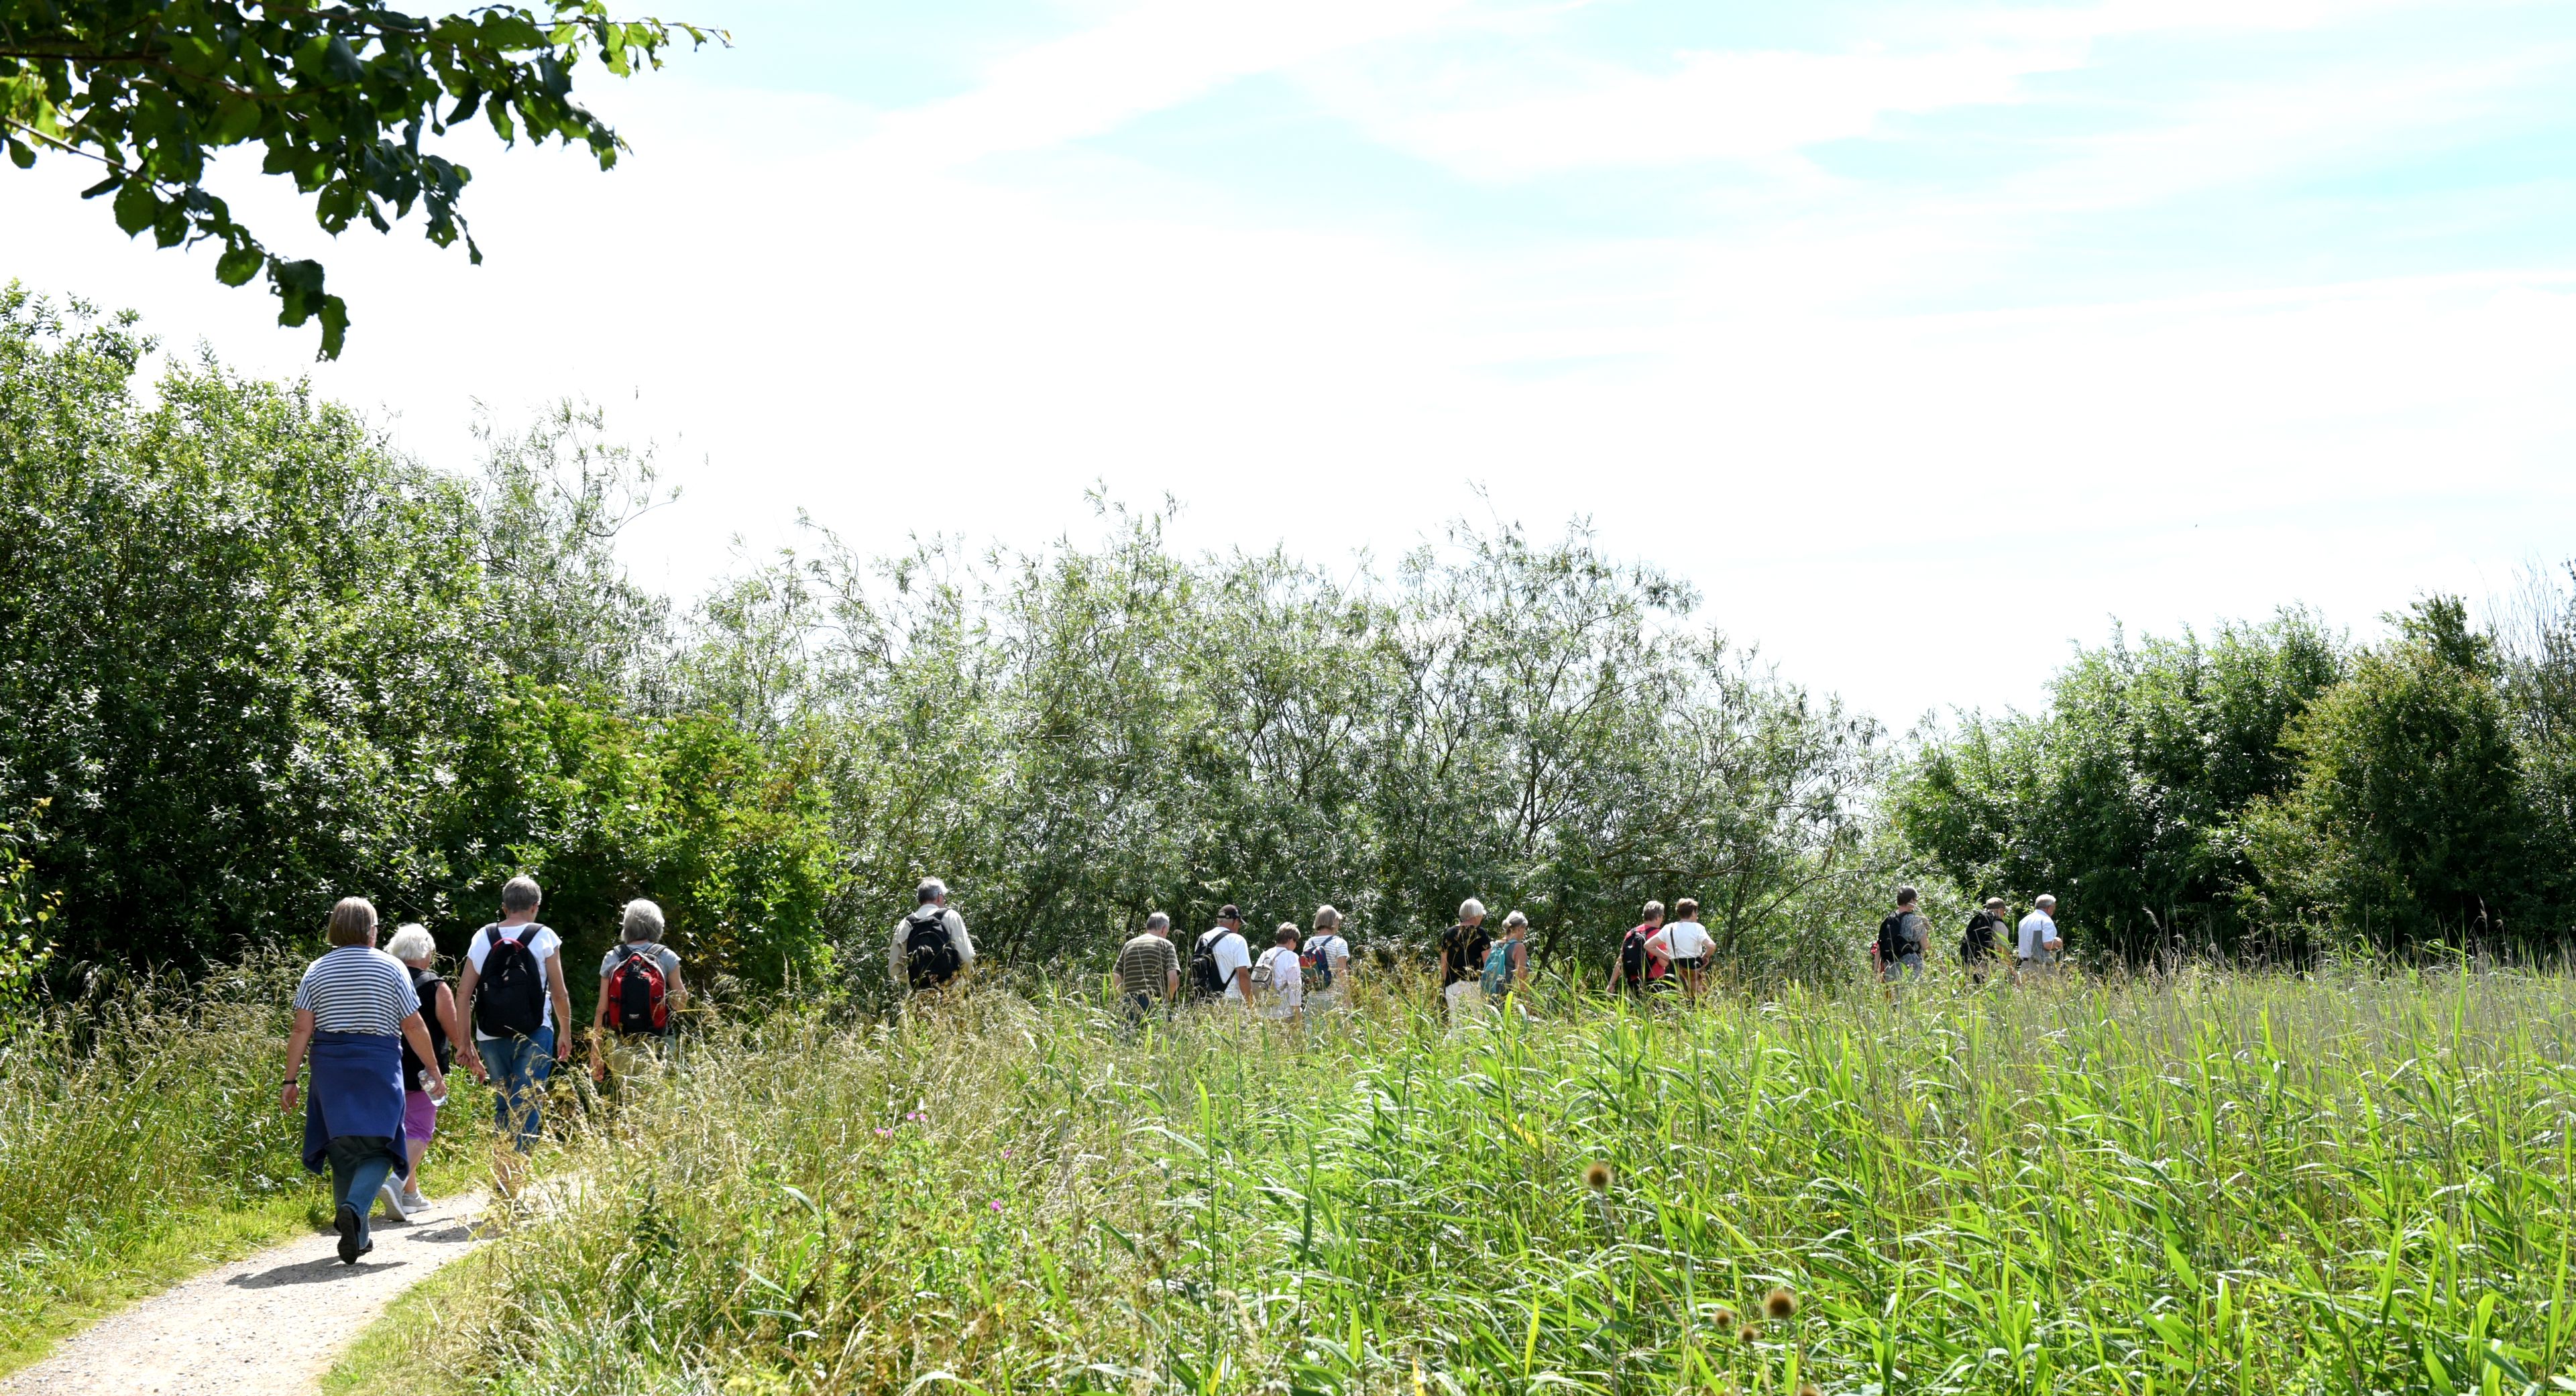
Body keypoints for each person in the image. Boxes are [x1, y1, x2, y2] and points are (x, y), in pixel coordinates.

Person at [280, 897, 449, 1264]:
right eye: (375, 927)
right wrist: (432, 1067)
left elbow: (301, 1028)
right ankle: (355, 1208)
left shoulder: (317, 969)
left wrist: (289, 1080)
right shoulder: (391, 968)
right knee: (381, 1147)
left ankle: (357, 1234)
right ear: (369, 931)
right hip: (377, 1063)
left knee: (341, 1150)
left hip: (330, 1066)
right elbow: (413, 1024)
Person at [457, 875, 573, 1165]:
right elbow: (559, 993)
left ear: (504, 907)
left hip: (490, 1034)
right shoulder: (544, 935)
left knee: (504, 1104)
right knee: (528, 1103)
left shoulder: (483, 936)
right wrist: (565, 1032)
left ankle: (503, 1173)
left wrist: (465, 1042)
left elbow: (463, 993)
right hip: (535, 1030)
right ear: (535, 907)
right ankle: (512, 1184)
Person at [384, 921, 459, 1214]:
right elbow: (454, 1033)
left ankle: (410, 1194)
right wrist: (471, 1055)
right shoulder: (436, 986)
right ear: (426, 951)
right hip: (424, 1067)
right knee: (420, 1129)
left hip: (388, 1063)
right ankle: (395, 1181)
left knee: (402, 1128)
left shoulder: (387, 979)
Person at [592, 898, 685, 1088]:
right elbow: (680, 1004)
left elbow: (601, 1010)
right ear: (656, 926)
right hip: (659, 1043)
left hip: (621, 1042)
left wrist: (595, 1055)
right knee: (659, 1101)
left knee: (630, 1100)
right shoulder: (666, 956)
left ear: (627, 927)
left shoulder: (613, 957)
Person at [892, 877, 976, 997]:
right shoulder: (951, 916)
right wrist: (959, 980)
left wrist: (913, 984)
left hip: (920, 995)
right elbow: (967, 958)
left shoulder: (906, 923)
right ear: (939, 897)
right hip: (951, 992)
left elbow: (894, 969)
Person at [1114, 912, 1181, 1023]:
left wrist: (1122, 999)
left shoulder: (1129, 945)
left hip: (1129, 1003)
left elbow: (1116, 977)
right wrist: (1168, 998)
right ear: (1164, 929)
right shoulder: (1167, 945)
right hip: (1155, 1003)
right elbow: (1173, 981)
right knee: (1156, 1038)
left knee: (1129, 1038)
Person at [1437, 898, 1491, 1025]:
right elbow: (1488, 962)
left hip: (1453, 984)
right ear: (1477, 914)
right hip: (1474, 984)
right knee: (1479, 1021)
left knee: (1457, 1023)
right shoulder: (1480, 933)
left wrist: (1446, 982)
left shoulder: (1449, 933)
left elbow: (1443, 964)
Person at [1192, 905, 1256, 1012]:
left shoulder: (1202, 939)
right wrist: (1251, 1005)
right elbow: (1243, 976)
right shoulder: (1237, 940)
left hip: (1205, 1002)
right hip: (1230, 1002)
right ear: (1235, 921)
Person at [1647, 898, 1715, 998]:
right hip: (1694, 967)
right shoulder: (1697, 928)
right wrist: (1706, 956)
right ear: (1692, 913)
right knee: (1697, 1002)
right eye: (1696, 912)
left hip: (1673, 969)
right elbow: (1711, 946)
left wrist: (1667, 957)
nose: (1697, 915)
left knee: (1674, 1004)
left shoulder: (1669, 928)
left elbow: (1648, 945)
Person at [1300, 905, 1351, 1010]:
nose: (1338, 924)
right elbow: (1343, 974)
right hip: (1334, 1001)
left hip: (1313, 1000)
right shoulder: (1339, 943)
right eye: (1338, 920)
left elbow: (1306, 973)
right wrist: (1347, 1001)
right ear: (1333, 921)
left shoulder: (1309, 943)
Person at [1480, 910, 1531, 1012]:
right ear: (1519, 928)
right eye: (1525, 929)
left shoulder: (1496, 944)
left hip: (1491, 998)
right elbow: (1522, 978)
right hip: (1509, 999)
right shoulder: (1518, 947)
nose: (1525, 932)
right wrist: (1527, 1004)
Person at [1877, 888, 1929, 983]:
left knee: (1894, 996)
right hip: (1911, 967)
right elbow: (1926, 946)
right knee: (1910, 996)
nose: (1916, 903)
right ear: (1911, 901)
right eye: (1916, 900)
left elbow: (1879, 948)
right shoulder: (1915, 920)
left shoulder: (1889, 919)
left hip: (1890, 968)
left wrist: (1875, 973)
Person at [1610, 900, 1663, 996]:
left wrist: (1612, 983)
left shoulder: (1631, 933)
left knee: (1636, 1010)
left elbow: (1620, 961)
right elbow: (1662, 962)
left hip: (1634, 982)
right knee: (1656, 1011)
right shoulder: (1658, 934)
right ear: (1658, 917)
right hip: (1655, 982)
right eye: (1662, 916)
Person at [1253, 923, 1304, 1021]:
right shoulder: (1291, 957)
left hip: (1264, 1013)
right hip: (1285, 1013)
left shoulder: (1265, 954)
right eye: (1296, 941)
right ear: (1290, 940)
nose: (1296, 945)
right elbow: (1295, 988)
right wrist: (1297, 1015)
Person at [1960, 896, 2009, 982]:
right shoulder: (1999, 925)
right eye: (2004, 911)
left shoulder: (1977, 922)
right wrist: (2013, 971)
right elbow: (2002, 950)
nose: (2004, 914)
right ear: (2001, 910)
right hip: (1988, 971)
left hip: (1970, 966)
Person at [2017, 894, 2064, 976]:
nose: (2053, 912)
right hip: (2040, 966)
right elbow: (2048, 944)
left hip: (2025, 965)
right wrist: (2057, 942)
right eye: (2053, 909)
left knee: (2028, 988)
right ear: (2049, 908)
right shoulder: (2046, 920)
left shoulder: (2024, 920)